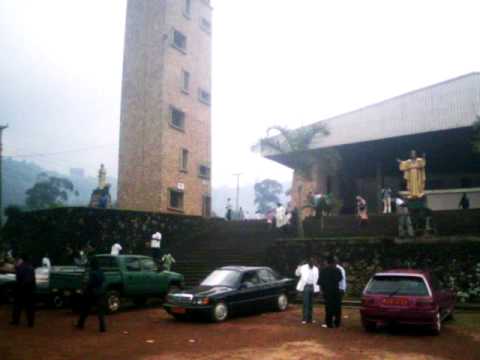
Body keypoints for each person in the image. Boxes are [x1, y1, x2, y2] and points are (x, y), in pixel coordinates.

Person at [76, 258, 106, 332]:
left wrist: (85, 290)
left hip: (91, 293)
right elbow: (104, 280)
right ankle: (103, 327)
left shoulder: (92, 272)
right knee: (100, 312)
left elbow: (90, 283)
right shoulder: (101, 271)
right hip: (100, 292)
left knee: (85, 309)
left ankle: (80, 324)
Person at [11, 254, 36, 327]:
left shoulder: (20, 267)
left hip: (21, 288)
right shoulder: (31, 267)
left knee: (17, 305)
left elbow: (18, 279)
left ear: (22, 259)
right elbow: (33, 280)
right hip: (30, 289)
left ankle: (16, 320)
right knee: (30, 307)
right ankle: (30, 323)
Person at [319, 256, 343, 328]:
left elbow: (320, 282)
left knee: (328, 307)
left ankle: (329, 323)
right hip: (335, 291)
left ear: (328, 262)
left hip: (327, 291)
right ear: (333, 262)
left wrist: (321, 291)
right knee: (337, 307)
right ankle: (337, 323)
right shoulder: (338, 270)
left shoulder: (323, 270)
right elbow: (340, 279)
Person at [295, 258, 319, 324]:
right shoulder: (303, 267)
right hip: (306, 287)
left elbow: (317, 279)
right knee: (306, 303)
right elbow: (297, 274)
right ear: (308, 262)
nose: (312, 263)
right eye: (311, 262)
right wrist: (299, 266)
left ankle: (310, 319)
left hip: (313, 287)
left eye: (313, 262)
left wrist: (317, 289)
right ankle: (304, 319)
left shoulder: (316, 269)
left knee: (311, 303)